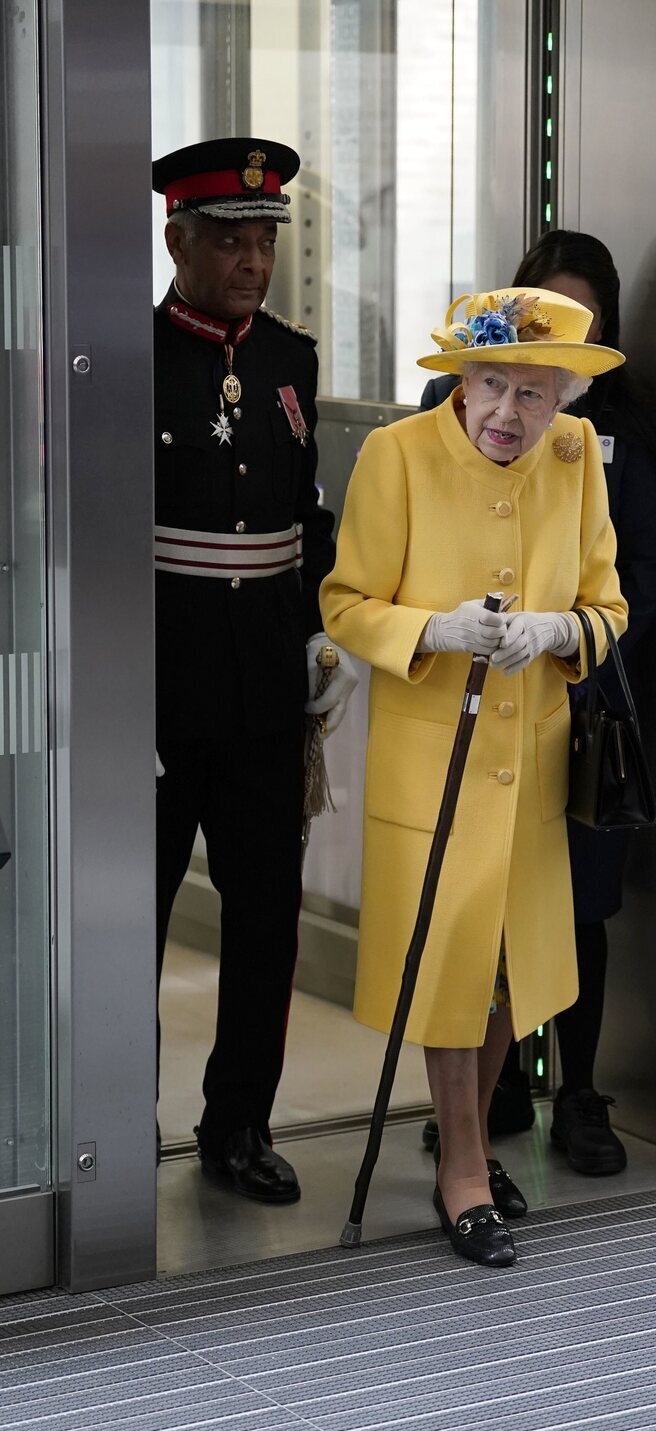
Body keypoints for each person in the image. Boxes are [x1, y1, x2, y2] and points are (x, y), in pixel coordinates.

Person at [322, 288, 626, 1265]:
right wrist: (432, 630)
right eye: (491, 384)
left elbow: (606, 607)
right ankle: (462, 1166)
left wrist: (556, 632)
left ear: (564, 400)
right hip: (432, 764)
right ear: (461, 378)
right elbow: (343, 604)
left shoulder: (576, 466)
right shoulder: (397, 456)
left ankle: (470, 1143)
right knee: (450, 961)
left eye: (534, 396)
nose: (506, 414)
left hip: (528, 762)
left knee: (507, 969)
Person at [422, 231, 656, 1176]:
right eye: (540, 318)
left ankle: (578, 1091)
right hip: (473, 701)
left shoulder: (628, 431)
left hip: (587, 700)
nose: (535, 381)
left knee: (574, 908)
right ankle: (476, 1113)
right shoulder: (457, 415)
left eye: (581, 324)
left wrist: (573, 641)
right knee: (473, 915)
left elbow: (644, 572)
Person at [151, 138, 357, 1203]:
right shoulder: (129, 356)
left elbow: (301, 518)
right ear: (175, 237)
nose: (250, 258)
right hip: (155, 693)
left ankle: (237, 1125)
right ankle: (108, 1120)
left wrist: (318, 629)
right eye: (228, 237)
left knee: (265, 917)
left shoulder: (287, 357)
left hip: (264, 694)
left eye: (263, 237)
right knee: (126, 915)